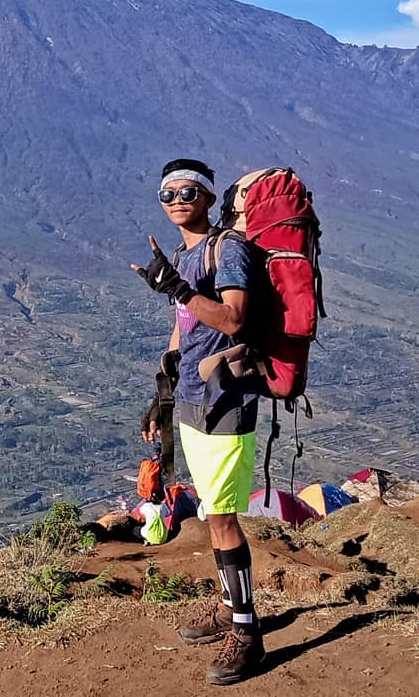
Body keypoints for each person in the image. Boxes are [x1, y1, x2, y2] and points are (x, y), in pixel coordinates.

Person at [131, 157, 264, 686]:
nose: (178, 200)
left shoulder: (227, 249)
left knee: (224, 518)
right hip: (190, 398)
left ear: (209, 198)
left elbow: (233, 319)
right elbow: (183, 330)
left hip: (226, 398)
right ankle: (230, 608)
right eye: (168, 194)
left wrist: (181, 290)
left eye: (189, 192)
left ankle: (248, 633)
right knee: (212, 512)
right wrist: (161, 396)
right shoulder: (185, 256)